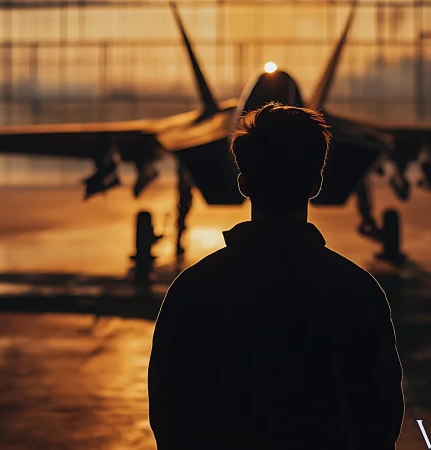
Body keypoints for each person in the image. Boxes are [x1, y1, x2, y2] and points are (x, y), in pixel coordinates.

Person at [148, 102, 404, 450]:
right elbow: (381, 415)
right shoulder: (358, 292)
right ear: (316, 182)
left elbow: (169, 411)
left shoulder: (192, 290)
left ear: (243, 182)